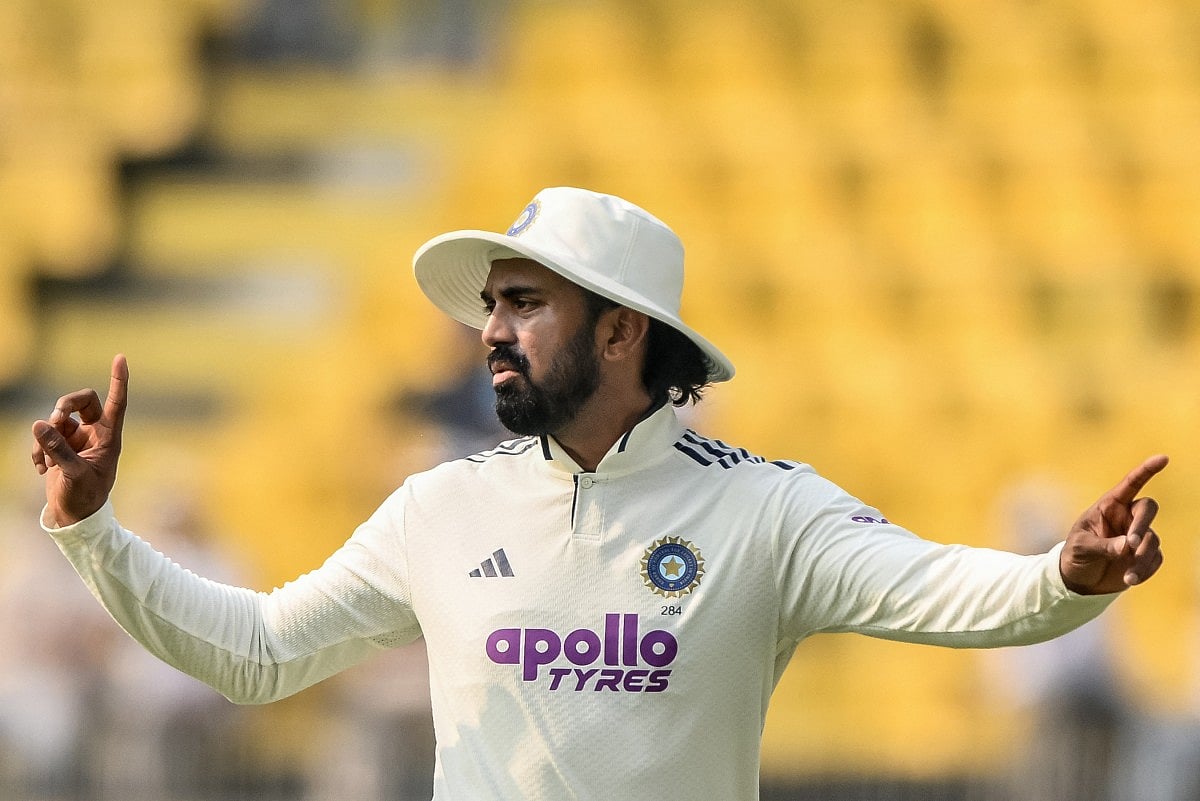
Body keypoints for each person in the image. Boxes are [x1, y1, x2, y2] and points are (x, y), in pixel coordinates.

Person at [30, 186, 1167, 801]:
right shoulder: (443, 506)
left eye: (525, 303)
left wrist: (1062, 576)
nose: (490, 333)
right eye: (493, 304)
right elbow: (258, 652)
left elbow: (945, 591)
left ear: (622, 333)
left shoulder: (765, 509)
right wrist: (93, 530)